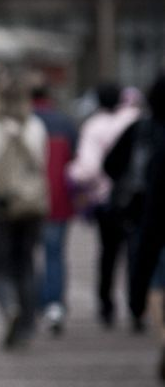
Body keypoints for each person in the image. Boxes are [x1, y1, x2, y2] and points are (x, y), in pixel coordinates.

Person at [0, 67, 48, 349]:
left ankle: (8, 308)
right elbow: (41, 163)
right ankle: (27, 325)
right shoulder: (36, 126)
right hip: (30, 203)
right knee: (26, 264)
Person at [67, 83, 142, 328]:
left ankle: (106, 304)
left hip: (105, 199)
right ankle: (136, 306)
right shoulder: (135, 120)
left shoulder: (94, 126)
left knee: (108, 253)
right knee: (136, 253)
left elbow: (87, 168)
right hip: (136, 198)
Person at [105, 74, 165, 338]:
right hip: (143, 209)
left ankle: (157, 326)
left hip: (142, 209)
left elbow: (110, 164)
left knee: (145, 262)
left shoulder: (141, 129)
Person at [31, 83, 77, 335]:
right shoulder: (65, 122)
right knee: (55, 253)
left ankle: (36, 302)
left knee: (30, 255)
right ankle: (55, 304)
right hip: (59, 199)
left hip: (29, 200)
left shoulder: (25, 121)